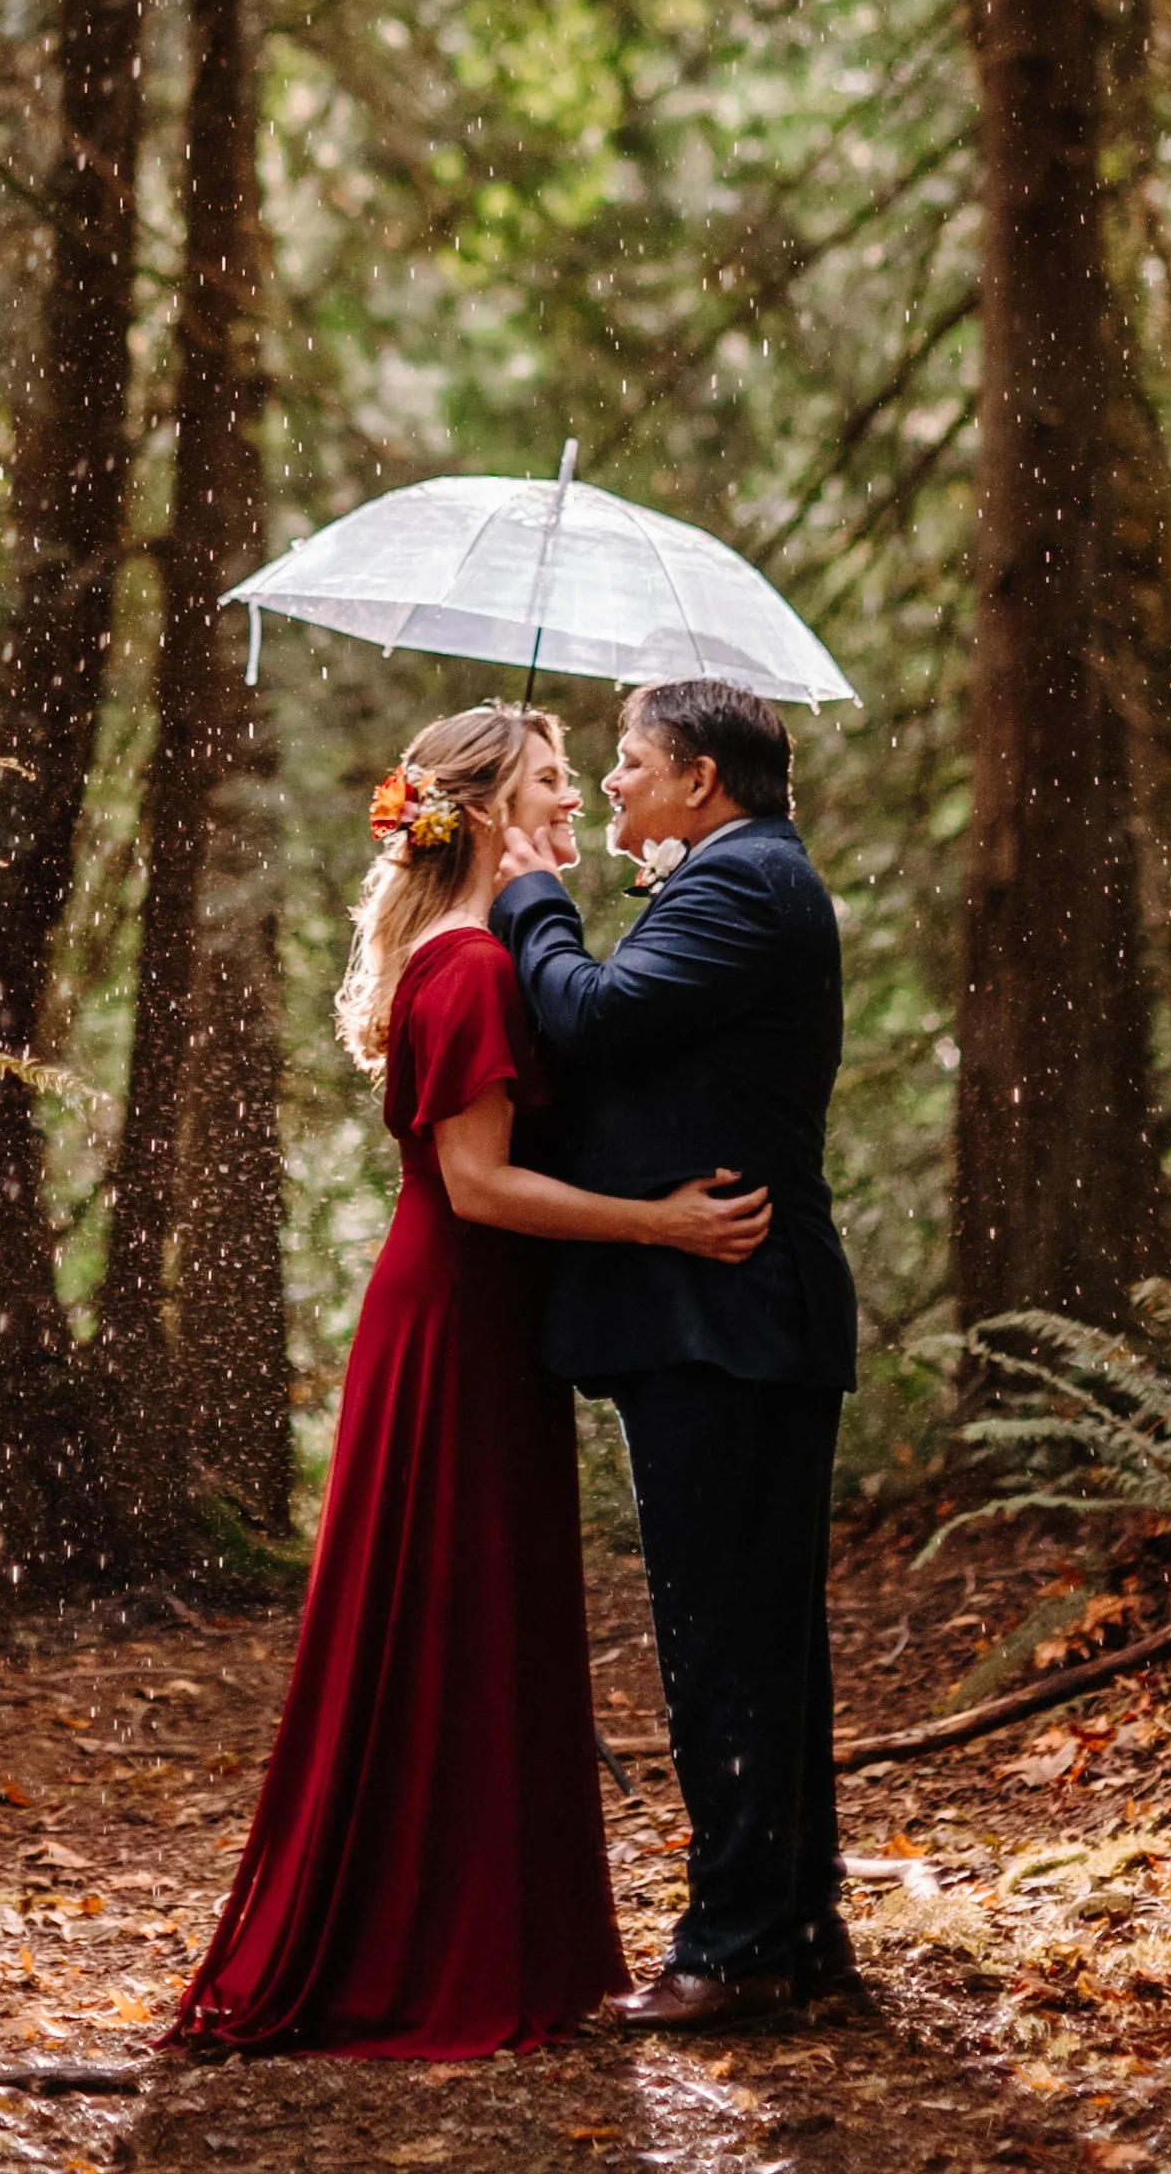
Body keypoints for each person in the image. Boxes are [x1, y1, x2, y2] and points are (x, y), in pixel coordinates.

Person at [170, 700, 772, 2057]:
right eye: (554, 784)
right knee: (446, 1627)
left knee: (474, 1628)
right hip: (453, 1322)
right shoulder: (469, 970)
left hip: (481, 1324)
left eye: (577, 779)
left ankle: (487, 1930)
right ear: (489, 812)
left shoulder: (479, 951)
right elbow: (479, 1185)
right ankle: (425, 1946)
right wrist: (661, 1224)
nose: (578, 804)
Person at [489, 675, 859, 2030]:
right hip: (733, 1318)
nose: (608, 786)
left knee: (726, 1640)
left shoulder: (742, 885)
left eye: (633, 762)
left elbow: (588, 1016)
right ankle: (799, 1929)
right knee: (758, 1634)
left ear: (703, 779)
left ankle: (741, 1946)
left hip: (732, 1318)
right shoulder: (736, 877)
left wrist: (530, 897)